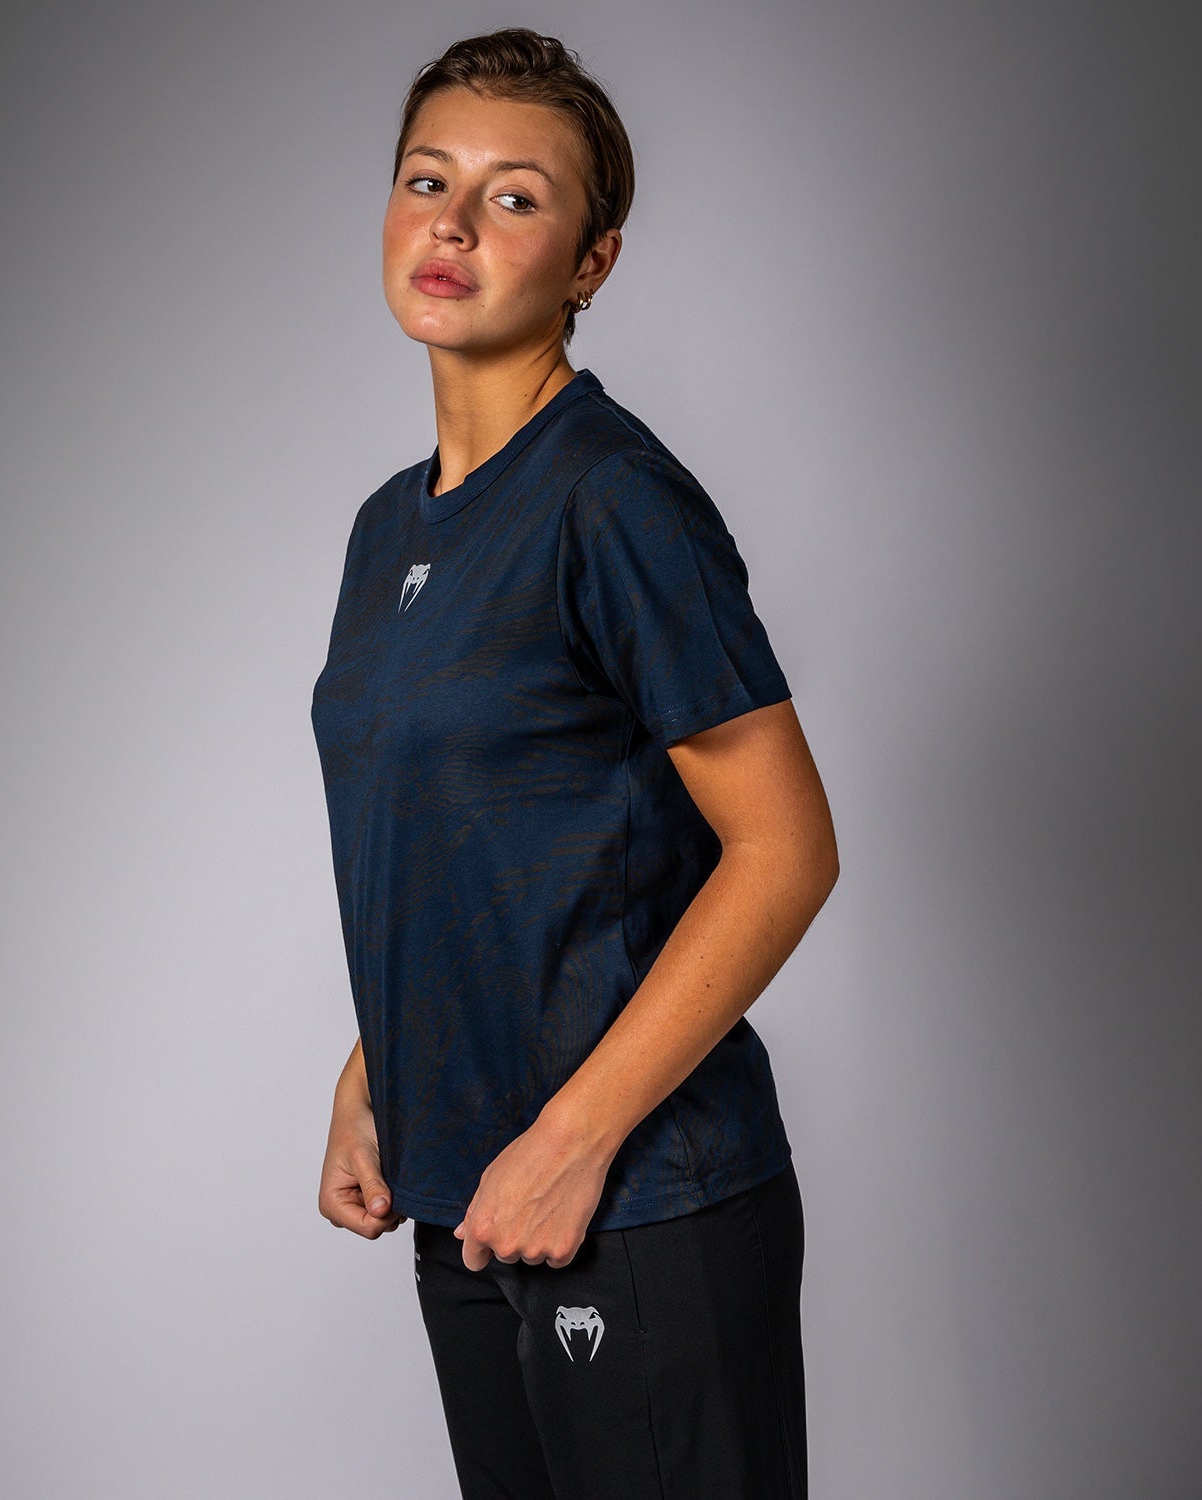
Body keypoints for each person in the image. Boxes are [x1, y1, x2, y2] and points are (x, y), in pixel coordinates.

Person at [312, 27, 838, 1500]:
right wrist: (375, 1069)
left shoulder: (614, 501)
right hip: (471, 1191)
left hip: (635, 1196)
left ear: (590, 261)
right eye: (428, 180)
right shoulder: (387, 529)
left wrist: (571, 1141)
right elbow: (480, 832)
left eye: (515, 197)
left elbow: (787, 849)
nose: (453, 225)